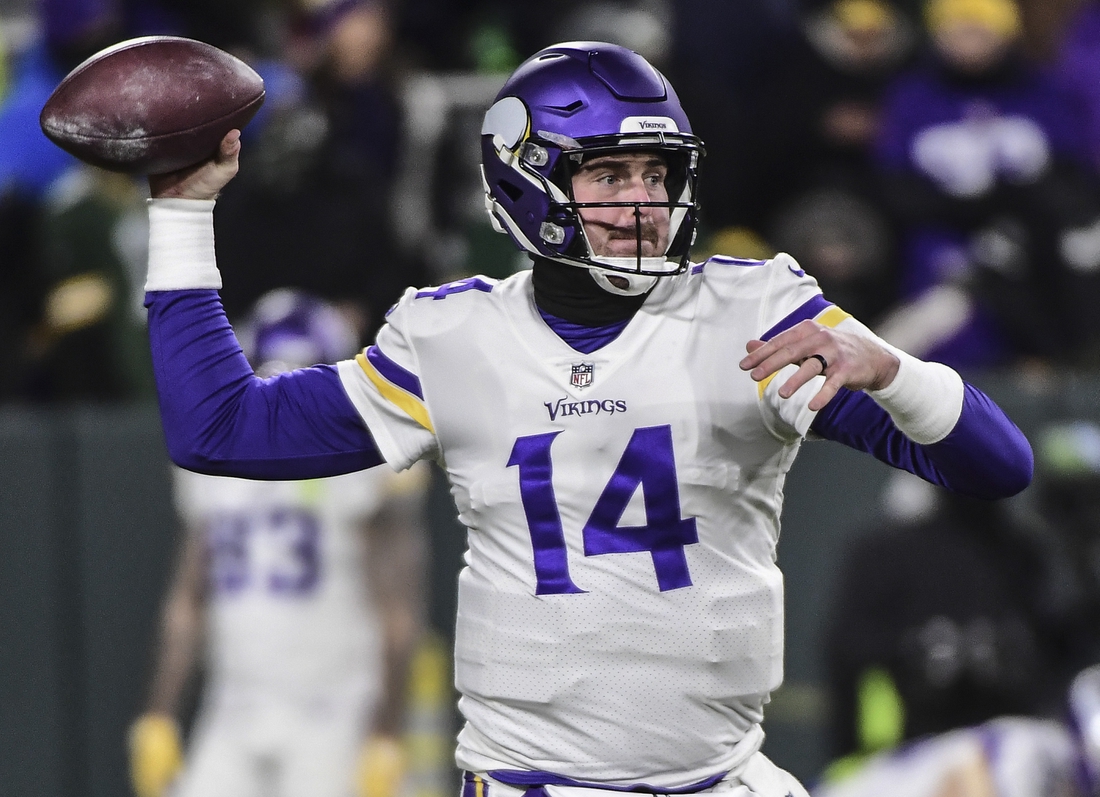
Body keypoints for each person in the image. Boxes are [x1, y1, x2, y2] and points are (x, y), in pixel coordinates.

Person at [137, 41, 1032, 797]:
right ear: (524, 182)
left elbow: (999, 468)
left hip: (723, 775)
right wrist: (182, 214)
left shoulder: (753, 311)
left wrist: (899, 372)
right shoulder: (451, 335)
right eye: (608, 173)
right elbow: (222, 429)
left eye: (656, 172)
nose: (642, 202)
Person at [128, 289, 429, 797]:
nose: (283, 397)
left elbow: (399, 616)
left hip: (331, 712)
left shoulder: (362, 463)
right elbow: (187, 599)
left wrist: (385, 734)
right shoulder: (217, 463)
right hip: (234, 707)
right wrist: (158, 714)